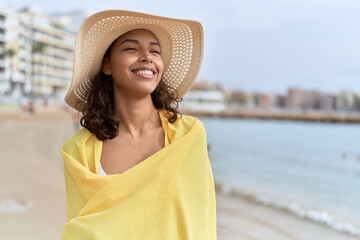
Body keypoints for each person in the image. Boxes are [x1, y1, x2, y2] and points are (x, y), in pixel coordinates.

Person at [61, 10, 216, 240]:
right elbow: (81, 229)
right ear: (107, 65)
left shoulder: (189, 135)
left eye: (155, 51)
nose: (147, 57)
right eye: (131, 48)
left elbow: (200, 219)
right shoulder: (79, 150)